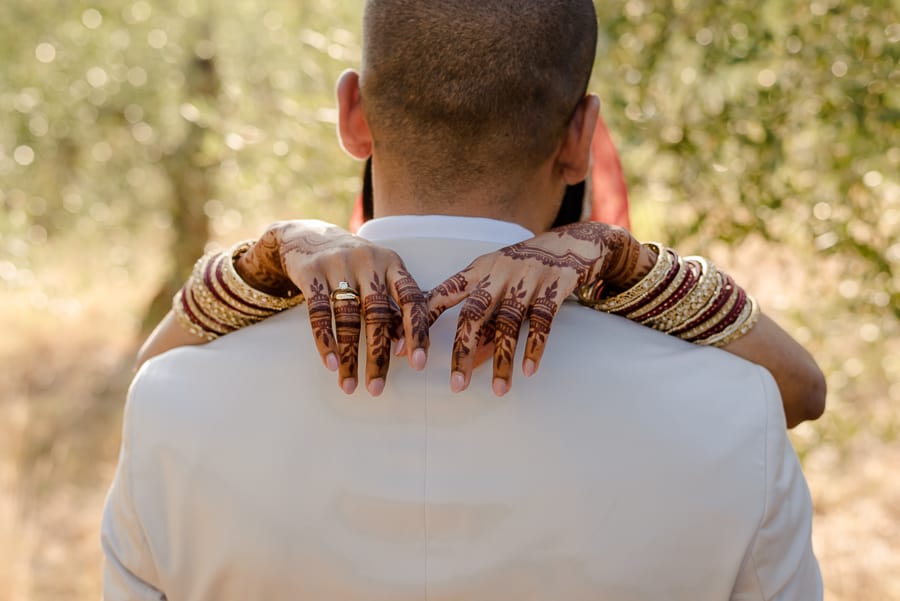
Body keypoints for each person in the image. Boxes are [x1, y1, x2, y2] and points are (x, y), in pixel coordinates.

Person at [102, 1, 823, 599]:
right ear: (581, 137)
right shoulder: (733, 417)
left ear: (353, 112)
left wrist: (253, 266)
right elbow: (805, 393)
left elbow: (150, 376)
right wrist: (628, 263)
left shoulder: (175, 407)